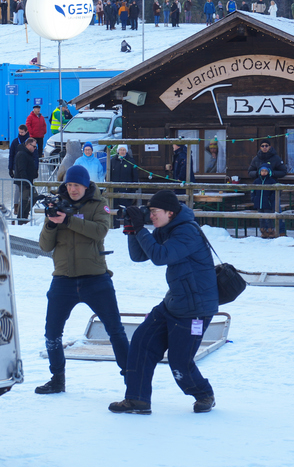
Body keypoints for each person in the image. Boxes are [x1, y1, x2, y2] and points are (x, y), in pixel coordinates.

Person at [111, 190, 217, 414]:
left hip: (195, 310)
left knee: (180, 361)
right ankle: (137, 399)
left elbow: (160, 257)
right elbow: (140, 256)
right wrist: (132, 230)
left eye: (154, 212)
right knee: (141, 342)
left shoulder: (187, 232)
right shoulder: (166, 228)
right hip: (173, 304)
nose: (151, 217)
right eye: (149, 212)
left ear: (170, 212)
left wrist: (141, 229)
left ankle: (203, 393)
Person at [35, 165, 128, 394]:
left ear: (86, 185)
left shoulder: (99, 204)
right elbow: (45, 246)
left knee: (115, 330)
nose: (72, 189)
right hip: (63, 279)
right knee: (52, 332)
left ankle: (132, 379)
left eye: (76, 185)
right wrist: (50, 223)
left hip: (95, 278)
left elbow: (99, 231)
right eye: (69, 185)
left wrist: (67, 220)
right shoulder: (58, 204)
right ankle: (57, 379)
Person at [248, 140, 287, 237]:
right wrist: (257, 174)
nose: (264, 147)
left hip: (272, 188)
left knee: (277, 210)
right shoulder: (256, 159)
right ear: (260, 147)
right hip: (260, 189)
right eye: (262, 146)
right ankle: (265, 231)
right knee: (262, 213)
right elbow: (250, 171)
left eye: (266, 145)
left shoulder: (276, 158)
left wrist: (272, 174)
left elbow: (283, 171)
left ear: (270, 147)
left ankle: (281, 231)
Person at [107, 144, 139, 221]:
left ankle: (126, 226)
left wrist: (133, 189)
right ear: (118, 151)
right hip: (114, 191)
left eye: (124, 150)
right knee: (114, 211)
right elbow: (108, 174)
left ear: (126, 151)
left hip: (126, 190)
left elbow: (135, 176)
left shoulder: (131, 161)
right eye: (121, 150)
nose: (122, 151)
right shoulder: (113, 161)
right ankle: (114, 226)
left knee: (126, 211)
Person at [13, 137, 39, 220]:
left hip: (28, 181)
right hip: (24, 181)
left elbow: (29, 167)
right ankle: (21, 218)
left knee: (35, 196)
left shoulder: (28, 154)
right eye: (34, 146)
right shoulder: (22, 154)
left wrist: (34, 173)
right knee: (24, 200)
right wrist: (25, 181)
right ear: (28, 145)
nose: (35, 148)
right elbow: (21, 169)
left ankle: (24, 215)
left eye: (36, 147)